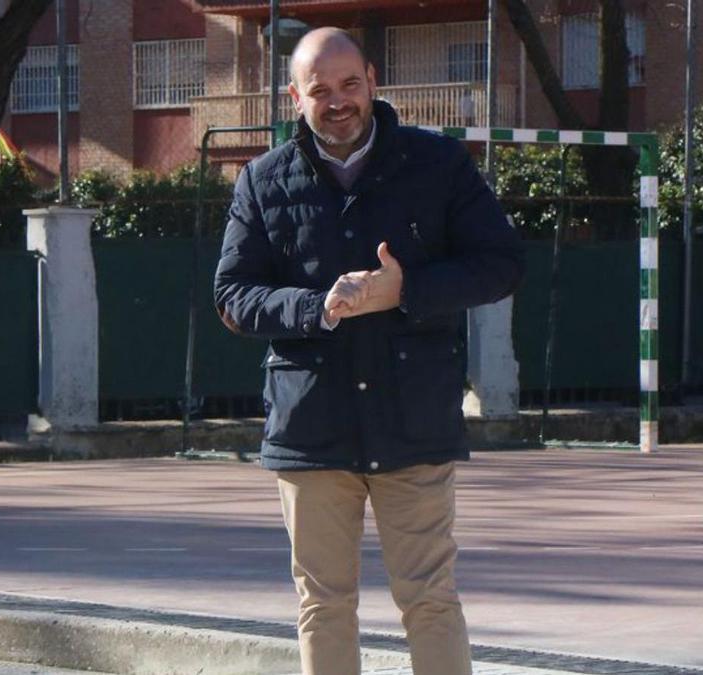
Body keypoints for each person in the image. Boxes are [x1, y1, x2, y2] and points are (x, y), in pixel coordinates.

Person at [213, 27, 524, 675]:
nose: (338, 102)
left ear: (374, 81)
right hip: (310, 429)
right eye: (319, 90)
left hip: (414, 424)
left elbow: (500, 263)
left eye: (349, 84)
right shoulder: (262, 181)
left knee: (430, 599)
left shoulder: (438, 164)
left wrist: (403, 289)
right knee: (323, 604)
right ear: (294, 95)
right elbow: (233, 295)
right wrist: (313, 306)